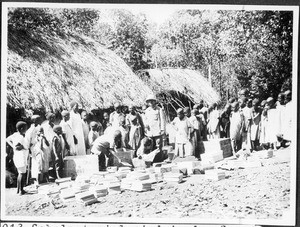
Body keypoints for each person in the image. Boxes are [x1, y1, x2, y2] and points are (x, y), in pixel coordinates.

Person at [6, 121, 29, 195]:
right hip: (21, 156)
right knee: (22, 173)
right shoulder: (20, 137)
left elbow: (7, 139)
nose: (26, 129)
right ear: (21, 129)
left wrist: (13, 147)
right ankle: (21, 191)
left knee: (20, 173)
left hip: (17, 156)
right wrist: (22, 147)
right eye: (25, 128)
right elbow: (23, 146)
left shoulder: (15, 135)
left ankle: (19, 189)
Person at [144, 95, 166, 162]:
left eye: (152, 101)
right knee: (151, 145)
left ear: (154, 101)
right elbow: (145, 119)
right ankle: (152, 160)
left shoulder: (159, 110)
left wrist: (162, 129)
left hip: (157, 131)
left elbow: (162, 120)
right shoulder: (147, 110)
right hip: (150, 132)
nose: (150, 103)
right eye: (149, 101)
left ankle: (159, 159)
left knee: (158, 146)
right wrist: (146, 124)